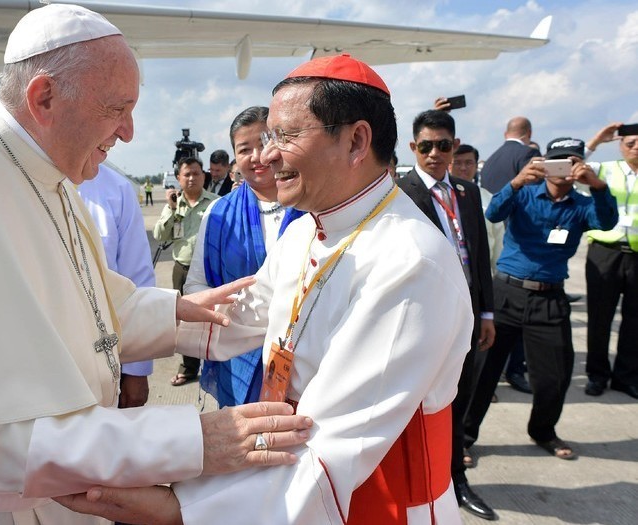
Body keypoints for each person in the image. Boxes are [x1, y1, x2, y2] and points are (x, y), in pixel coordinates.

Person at [0, 5, 311, 523]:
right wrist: (193, 439)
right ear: (44, 97)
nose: (128, 132)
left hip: (52, 491)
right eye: (116, 108)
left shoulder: (49, 177)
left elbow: (83, 309)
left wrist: (176, 311)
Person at [58, 53, 474, 525]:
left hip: (367, 500)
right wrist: (97, 327)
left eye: (286, 136)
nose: (267, 154)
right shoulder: (306, 230)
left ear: (357, 140)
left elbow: (330, 448)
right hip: (285, 478)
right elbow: (230, 323)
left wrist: (180, 510)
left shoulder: (408, 261)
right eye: (268, 136)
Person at [466, 137, 618, 461]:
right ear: (544, 164)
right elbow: (493, 213)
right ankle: (464, 436)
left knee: (555, 376)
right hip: (507, 292)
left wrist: (599, 186)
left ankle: (543, 431)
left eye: (572, 161)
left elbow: (606, 222)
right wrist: (516, 182)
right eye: (558, 160)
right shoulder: (523, 193)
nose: (564, 167)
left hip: (549, 297)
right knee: (483, 371)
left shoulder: (581, 204)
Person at [397, 110, 497, 520]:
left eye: (443, 145)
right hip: (425, 316)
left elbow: (480, 254)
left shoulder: (467, 191)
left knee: (460, 398)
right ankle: (425, 481)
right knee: (426, 402)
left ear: (455, 147)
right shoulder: (399, 192)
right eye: (426, 146)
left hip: (469, 314)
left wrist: (487, 311)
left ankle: (456, 480)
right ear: (413, 148)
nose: (434, 153)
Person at [183, 106, 306, 406]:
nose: (257, 156)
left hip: (304, 358)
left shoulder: (312, 207)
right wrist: (239, 318)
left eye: (265, 143)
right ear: (235, 157)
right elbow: (196, 285)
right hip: (236, 356)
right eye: (245, 149)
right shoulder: (218, 214)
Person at [77, 164, 155, 408]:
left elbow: (138, 281)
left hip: (105, 362)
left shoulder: (116, 189)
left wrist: (137, 369)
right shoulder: (10, 179)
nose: (124, 135)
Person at [582, 123, 638, 399]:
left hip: (637, 256)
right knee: (600, 318)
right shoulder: (607, 169)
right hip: (606, 252)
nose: (635, 147)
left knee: (634, 320)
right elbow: (571, 165)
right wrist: (595, 141)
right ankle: (597, 374)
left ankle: (625, 377)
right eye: (630, 143)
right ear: (620, 145)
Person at [154, 157, 219, 386]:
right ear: (179, 178)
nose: (192, 178)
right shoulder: (174, 204)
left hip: (210, 270)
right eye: (186, 174)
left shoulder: (216, 203)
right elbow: (160, 236)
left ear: (204, 176)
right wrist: (172, 209)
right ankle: (190, 368)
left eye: (196, 173)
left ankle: (218, 365)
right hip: (181, 269)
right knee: (184, 321)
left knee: (216, 317)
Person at [480, 116, 540, 194]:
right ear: (529, 133)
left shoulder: (490, 161)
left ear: (506, 134)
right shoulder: (529, 153)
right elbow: (536, 191)